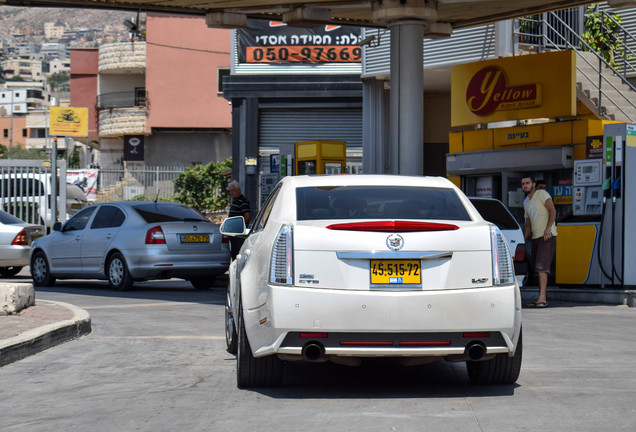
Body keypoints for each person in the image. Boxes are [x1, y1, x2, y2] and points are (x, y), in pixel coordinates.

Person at [521, 176, 557, 308]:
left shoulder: (542, 194)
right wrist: (521, 241)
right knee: (538, 268)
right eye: (523, 184)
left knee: (542, 268)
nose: (525, 185)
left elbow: (552, 211)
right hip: (536, 237)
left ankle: (542, 298)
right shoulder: (528, 203)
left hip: (546, 235)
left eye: (527, 183)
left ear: (534, 184)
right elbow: (528, 226)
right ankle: (540, 298)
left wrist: (548, 229)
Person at [227, 180, 251, 260]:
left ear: (238, 190)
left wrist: (237, 227)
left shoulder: (242, 201)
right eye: (230, 191)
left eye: (233, 190)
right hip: (234, 234)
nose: (231, 193)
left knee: (238, 255)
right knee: (234, 254)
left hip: (239, 235)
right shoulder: (235, 201)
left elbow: (247, 217)